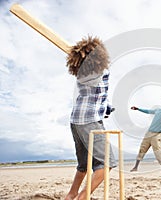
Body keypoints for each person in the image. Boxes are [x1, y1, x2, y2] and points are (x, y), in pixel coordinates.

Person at [65, 36, 116, 200]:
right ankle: (82, 197)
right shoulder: (101, 72)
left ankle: (71, 194)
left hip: (76, 121)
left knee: (84, 164)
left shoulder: (80, 75)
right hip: (90, 121)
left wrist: (107, 107)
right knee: (106, 163)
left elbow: (98, 95)